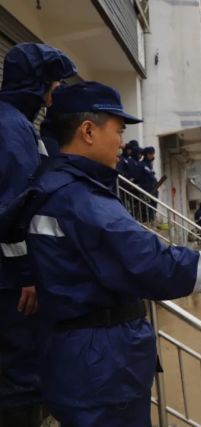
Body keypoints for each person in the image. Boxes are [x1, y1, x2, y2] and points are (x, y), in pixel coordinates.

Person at [2, 81, 201, 426]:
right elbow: (159, 266)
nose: (120, 142)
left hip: (76, 357)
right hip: (101, 369)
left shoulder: (53, 186)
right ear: (88, 131)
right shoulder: (82, 199)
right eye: (117, 130)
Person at [0, 43, 76, 426]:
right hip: (12, 283)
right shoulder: (12, 128)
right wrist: (29, 273)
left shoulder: (17, 124)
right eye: (53, 84)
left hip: (11, 276)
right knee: (20, 379)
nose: (54, 93)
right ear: (37, 84)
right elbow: (13, 211)